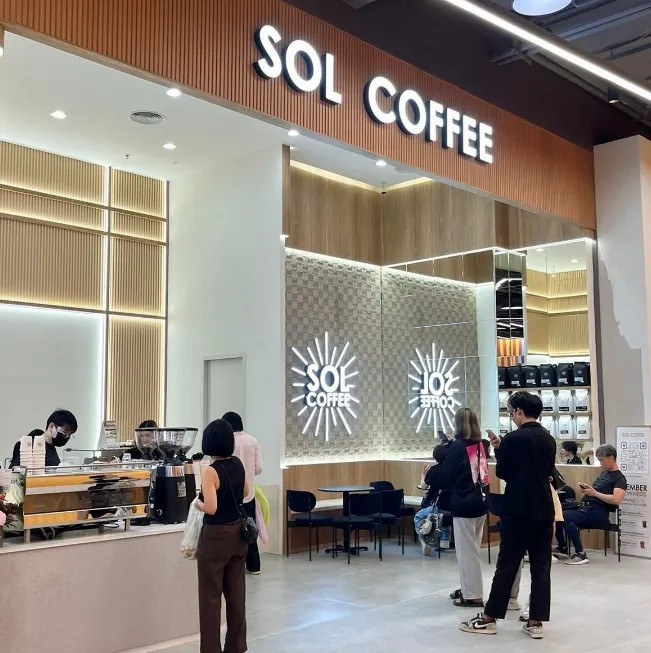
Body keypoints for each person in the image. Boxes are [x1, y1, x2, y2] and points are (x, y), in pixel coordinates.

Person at [460, 391, 556, 640]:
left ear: (519, 411)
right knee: (541, 567)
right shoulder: (548, 438)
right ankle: (536, 621)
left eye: (511, 411)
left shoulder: (514, 438)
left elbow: (503, 472)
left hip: (518, 509)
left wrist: (500, 450)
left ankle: (489, 617)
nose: (511, 416)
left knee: (507, 564)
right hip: (544, 508)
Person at [196, 419, 248, 653]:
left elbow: (211, 508)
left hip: (216, 536)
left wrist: (197, 504)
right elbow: (246, 491)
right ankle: (237, 646)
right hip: (238, 533)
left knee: (210, 596)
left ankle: (211, 649)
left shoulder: (210, 471)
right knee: (236, 595)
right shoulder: (238, 464)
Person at [440, 407, 489, 608]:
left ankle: (473, 595)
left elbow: (446, 477)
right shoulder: (480, 445)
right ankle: (467, 588)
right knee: (472, 549)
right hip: (480, 501)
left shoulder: (457, 447)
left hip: (463, 502)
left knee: (466, 552)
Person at [554, 444, 626, 565]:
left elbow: (616, 500)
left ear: (611, 458)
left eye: (602, 460)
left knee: (565, 516)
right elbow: (596, 492)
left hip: (597, 513)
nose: (601, 463)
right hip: (586, 508)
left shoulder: (620, 478)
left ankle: (581, 553)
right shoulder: (604, 474)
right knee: (557, 514)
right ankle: (563, 547)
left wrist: (594, 493)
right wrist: (588, 490)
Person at [222, 411, 263, 575]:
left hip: (230, 495)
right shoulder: (253, 441)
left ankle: (233, 566)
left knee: (230, 531)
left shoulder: (227, 441)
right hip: (249, 494)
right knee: (250, 529)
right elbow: (258, 469)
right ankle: (254, 566)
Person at [9, 409, 78, 468]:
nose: (66, 437)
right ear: (51, 426)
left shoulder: (51, 446)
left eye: (69, 434)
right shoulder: (31, 447)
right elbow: (14, 474)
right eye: (64, 432)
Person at [414, 444, 449, 555]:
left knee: (418, 516)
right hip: (454, 507)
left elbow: (423, 486)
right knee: (445, 519)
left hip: (438, 506)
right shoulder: (453, 469)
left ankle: (424, 540)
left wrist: (423, 474)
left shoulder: (434, 470)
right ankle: (445, 541)